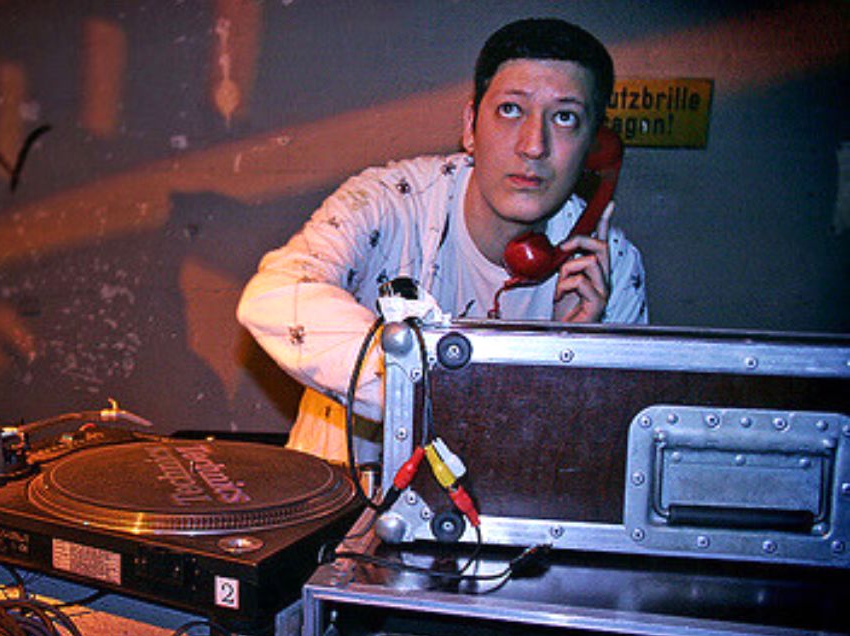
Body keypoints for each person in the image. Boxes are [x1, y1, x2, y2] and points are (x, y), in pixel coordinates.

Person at [237, 18, 648, 463]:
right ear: (471, 126)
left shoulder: (609, 269)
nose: (534, 145)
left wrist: (572, 351)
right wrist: (444, 389)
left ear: (592, 148)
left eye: (565, 118)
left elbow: (610, 461)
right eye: (511, 109)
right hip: (345, 513)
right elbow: (275, 296)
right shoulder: (390, 202)